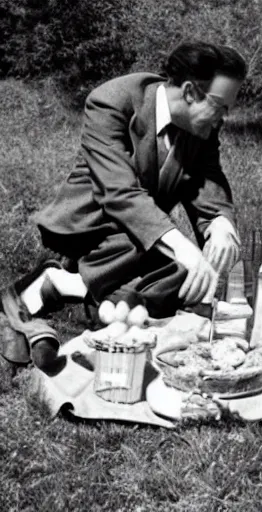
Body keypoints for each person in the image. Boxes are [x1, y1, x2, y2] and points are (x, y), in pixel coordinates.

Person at [5, 41, 247, 336]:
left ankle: (74, 286)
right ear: (189, 92)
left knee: (186, 278)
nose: (224, 118)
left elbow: (209, 181)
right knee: (179, 274)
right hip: (91, 227)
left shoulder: (203, 128)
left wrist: (220, 223)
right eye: (220, 107)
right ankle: (71, 284)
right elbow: (119, 193)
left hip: (139, 234)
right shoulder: (112, 101)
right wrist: (185, 249)